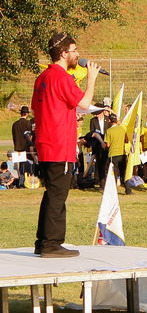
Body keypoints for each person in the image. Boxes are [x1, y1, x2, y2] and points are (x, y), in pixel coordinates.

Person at [32, 32, 101, 258]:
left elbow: (42, 106)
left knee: (51, 193)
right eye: (74, 50)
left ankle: (43, 241)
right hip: (59, 143)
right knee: (58, 195)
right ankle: (52, 244)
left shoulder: (42, 77)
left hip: (46, 142)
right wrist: (91, 79)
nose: (78, 54)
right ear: (63, 53)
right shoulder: (61, 77)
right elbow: (83, 102)